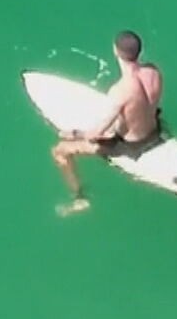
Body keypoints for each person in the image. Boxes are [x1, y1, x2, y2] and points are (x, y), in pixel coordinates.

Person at [49, 31, 164, 217]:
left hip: (132, 146)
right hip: (155, 129)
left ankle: (79, 199)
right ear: (139, 52)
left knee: (59, 151)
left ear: (115, 51)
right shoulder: (153, 71)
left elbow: (97, 134)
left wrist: (74, 133)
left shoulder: (120, 91)